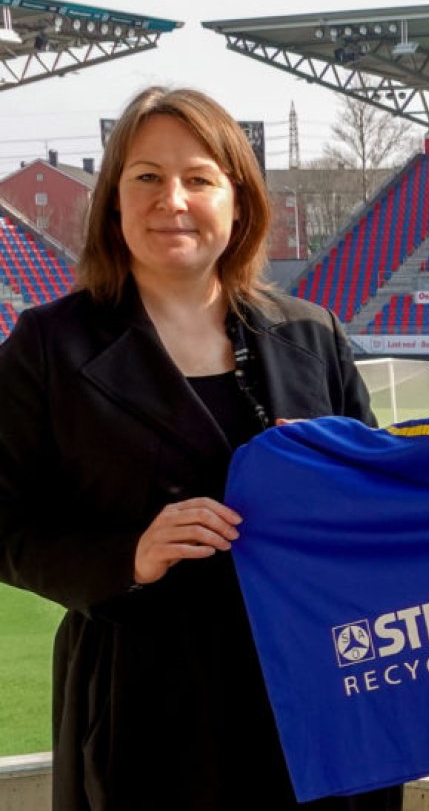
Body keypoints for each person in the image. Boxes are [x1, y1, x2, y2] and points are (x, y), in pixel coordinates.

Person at [0, 87, 397, 810]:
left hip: (314, 685)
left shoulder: (313, 335)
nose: (171, 199)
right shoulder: (48, 345)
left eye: (199, 179)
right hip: (143, 704)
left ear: (238, 201)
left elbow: (381, 507)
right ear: (113, 200)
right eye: (146, 177)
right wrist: (130, 557)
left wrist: (339, 479)